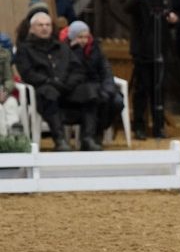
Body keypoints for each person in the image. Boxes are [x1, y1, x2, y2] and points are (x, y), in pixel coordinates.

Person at [13, 13, 96, 151]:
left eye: (48, 25)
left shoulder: (62, 47)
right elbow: (27, 74)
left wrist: (69, 83)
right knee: (49, 93)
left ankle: (88, 137)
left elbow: (77, 69)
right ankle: (60, 139)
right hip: (42, 89)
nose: (44, 28)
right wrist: (50, 81)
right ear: (32, 28)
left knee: (89, 91)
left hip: (66, 87)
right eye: (40, 25)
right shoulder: (25, 49)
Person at [125, 0, 177, 140]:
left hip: (160, 48)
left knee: (160, 89)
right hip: (142, 49)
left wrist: (171, 18)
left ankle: (159, 127)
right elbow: (127, 7)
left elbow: (166, 14)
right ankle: (139, 126)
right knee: (142, 90)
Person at [64, 21, 123, 150]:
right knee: (91, 99)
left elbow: (106, 71)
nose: (84, 40)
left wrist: (107, 90)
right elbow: (74, 72)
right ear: (72, 37)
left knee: (117, 101)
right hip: (78, 89)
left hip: (98, 87)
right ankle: (89, 137)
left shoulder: (96, 50)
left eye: (86, 37)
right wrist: (77, 51)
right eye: (80, 37)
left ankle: (97, 132)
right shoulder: (65, 51)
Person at [0, 32, 17, 134]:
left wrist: (5, 91)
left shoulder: (3, 54)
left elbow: (9, 79)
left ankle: (14, 141)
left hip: (1, 92)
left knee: (12, 103)